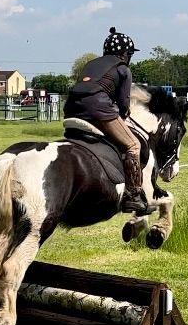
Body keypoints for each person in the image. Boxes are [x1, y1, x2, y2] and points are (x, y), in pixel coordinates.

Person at [64, 27, 155, 216]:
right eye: (129, 54)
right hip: (98, 109)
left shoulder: (91, 64)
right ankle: (133, 197)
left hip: (71, 108)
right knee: (133, 145)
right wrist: (123, 114)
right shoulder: (123, 69)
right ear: (125, 54)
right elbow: (123, 104)